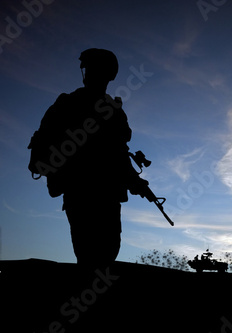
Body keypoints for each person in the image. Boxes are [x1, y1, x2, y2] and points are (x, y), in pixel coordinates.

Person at [28, 48, 146, 271]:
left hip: (104, 193)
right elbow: (116, 154)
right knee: (91, 256)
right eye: (91, 69)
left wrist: (135, 182)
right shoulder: (70, 104)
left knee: (105, 253)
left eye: (96, 70)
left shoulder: (112, 110)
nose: (92, 74)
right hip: (81, 190)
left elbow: (118, 153)